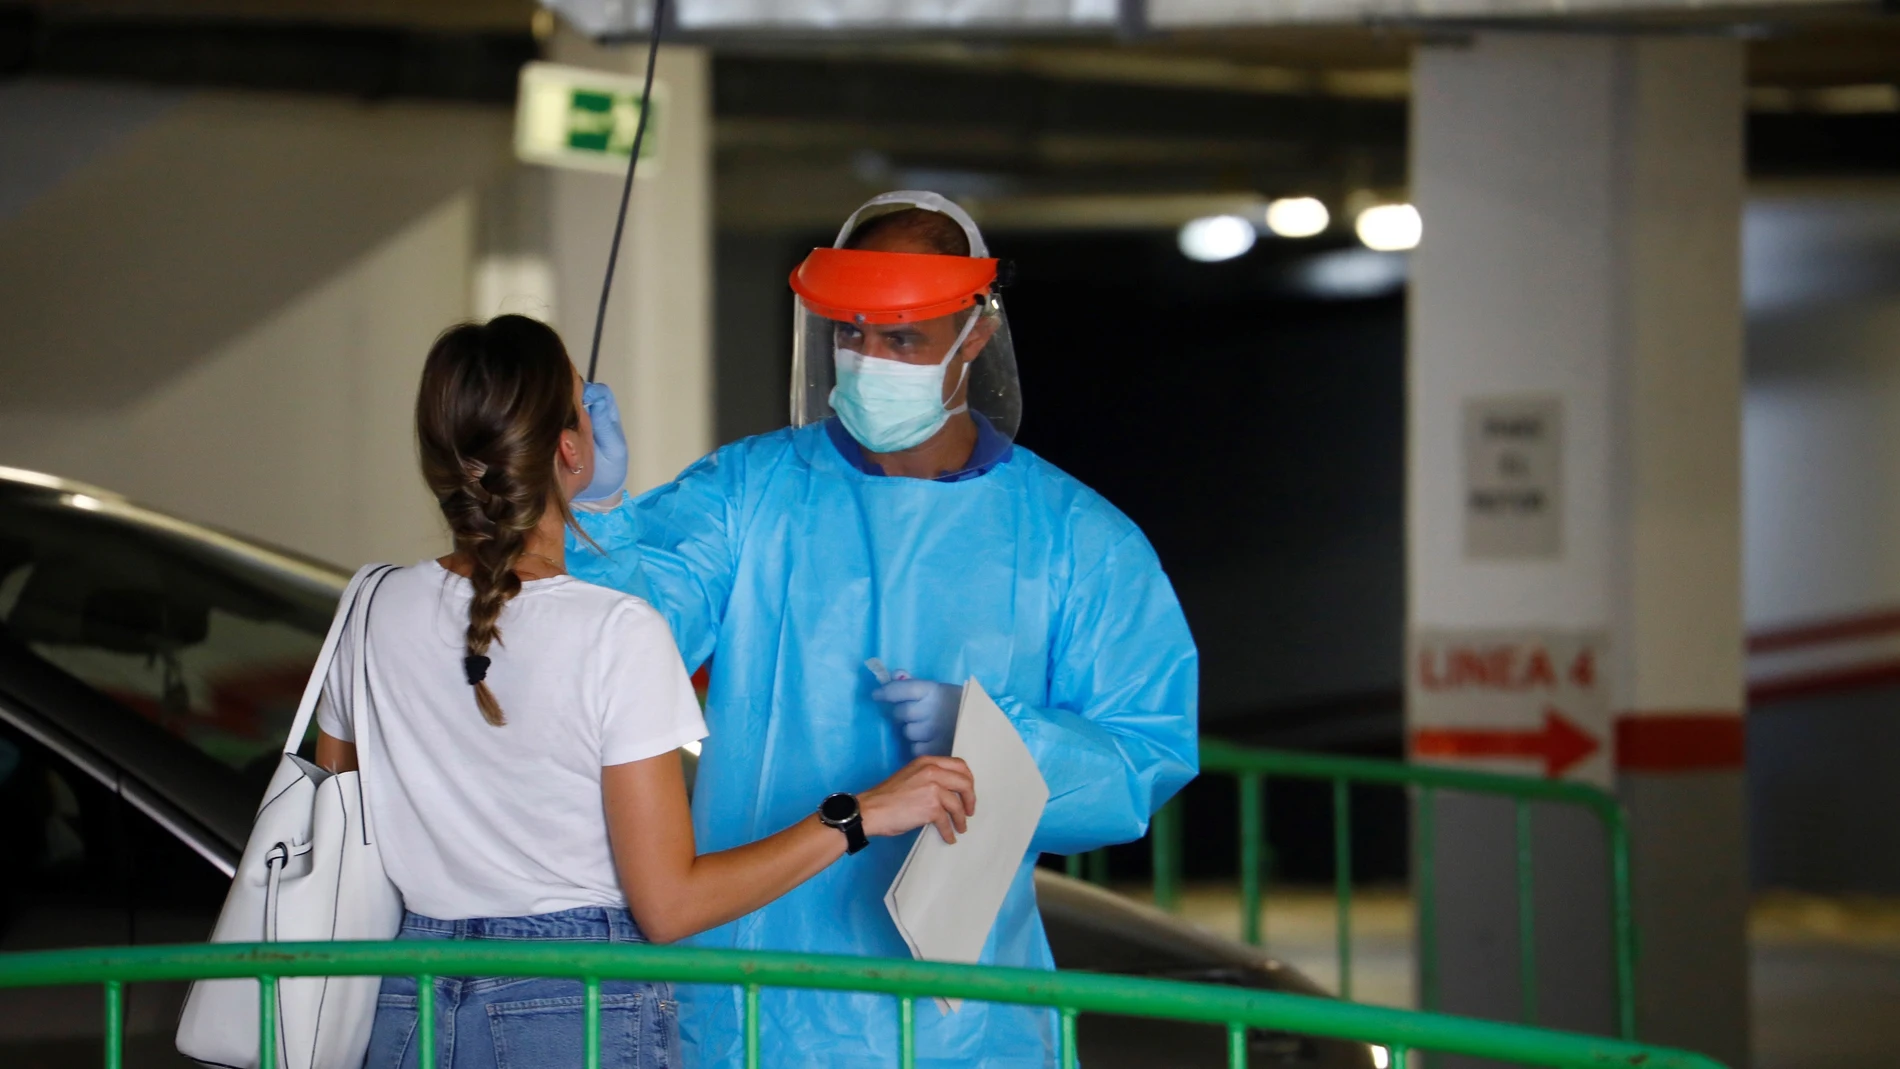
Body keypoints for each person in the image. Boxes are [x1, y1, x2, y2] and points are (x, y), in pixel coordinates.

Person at [568, 192, 1199, 1068]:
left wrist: (997, 737)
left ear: (974, 335)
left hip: (963, 1026)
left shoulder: (1076, 540)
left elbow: (1143, 755)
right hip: (753, 1006)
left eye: (903, 338)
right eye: (851, 333)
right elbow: (620, 644)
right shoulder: (750, 493)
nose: (868, 360)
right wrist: (598, 515)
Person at [312, 314, 976, 1069]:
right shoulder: (617, 630)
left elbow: (340, 824)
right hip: (572, 1008)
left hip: (405, 1003)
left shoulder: (368, 606)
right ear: (571, 448)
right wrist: (863, 813)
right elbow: (670, 905)